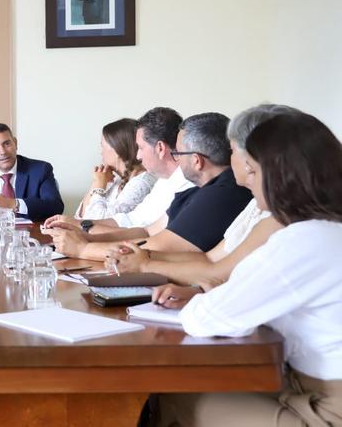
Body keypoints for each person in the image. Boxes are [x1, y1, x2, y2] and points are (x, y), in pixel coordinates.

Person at [150, 111, 342, 427]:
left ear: (275, 175)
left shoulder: (302, 238)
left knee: (176, 390)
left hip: (326, 409)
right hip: (301, 385)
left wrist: (206, 299)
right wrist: (212, 294)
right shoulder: (326, 228)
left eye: (250, 173)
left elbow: (205, 320)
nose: (246, 185)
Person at [106, 105, 296, 287]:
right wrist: (144, 258)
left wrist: (145, 264)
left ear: (252, 161)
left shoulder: (278, 216)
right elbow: (210, 259)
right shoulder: (257, 205)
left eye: (233, 150)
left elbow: (218, 274)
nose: (228, 157)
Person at [49, 113, 252, 261]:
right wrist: (84, 237)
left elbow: (158, 247)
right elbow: (146, 231)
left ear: (197, 161)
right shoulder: (193, 190)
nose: (175, 160)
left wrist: (84, 249)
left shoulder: (221, 193)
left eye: (178, 154)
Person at [46, 107, 194, 234]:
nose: (138, 155)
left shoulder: (184, 184)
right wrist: (76, 224)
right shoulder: (164, 181)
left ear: (160, 148)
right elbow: (132, 220)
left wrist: (83, 237)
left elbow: (147, 234)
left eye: (141, 148)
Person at [0, 123, 63, 221]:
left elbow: (55, 207)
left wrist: (13, 203)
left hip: (31, 236)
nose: (3, 152)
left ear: (15, 144)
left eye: (7, 144)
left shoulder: (40, 170)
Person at [74, 118, 157, 220]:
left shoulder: (141, 183)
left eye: (102, 147)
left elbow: (96, 221)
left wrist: (99, 186)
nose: (101, 153)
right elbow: (80, 217)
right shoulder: (116, 179)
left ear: (117, 149)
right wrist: (97, 181)